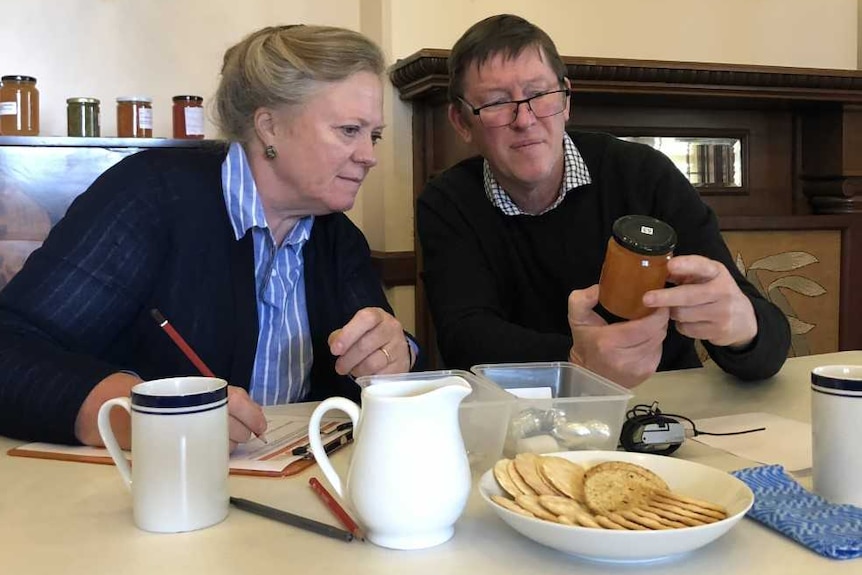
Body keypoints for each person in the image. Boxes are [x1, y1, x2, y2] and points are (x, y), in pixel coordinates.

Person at [0, 24, 418, 449]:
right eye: (349, 130)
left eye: (375, 135)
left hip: (293, 487)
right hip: (149, 492)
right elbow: (9, 351)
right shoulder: (149, 196)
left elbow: (373, 361)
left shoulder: (338, 237)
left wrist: (396, 353)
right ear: (269, 126)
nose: (370, 156)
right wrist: (138, 415)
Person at [416, 14, 790, 388]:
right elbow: (465, 340)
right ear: (462, 122)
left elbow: (767, 351)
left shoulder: (646, 175)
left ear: (565, 100)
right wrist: (577, 361)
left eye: (540, 95)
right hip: (525, 414)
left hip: (669, 405)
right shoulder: (448, 203)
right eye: (497, 103)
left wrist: (744, 329)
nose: (525, 119)